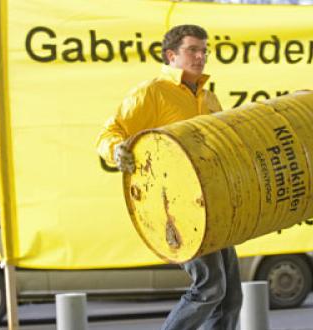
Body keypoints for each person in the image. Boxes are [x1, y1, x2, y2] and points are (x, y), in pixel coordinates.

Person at [97, 24, 243, 330]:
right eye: (192, 50)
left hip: (212, 204)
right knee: (210, 287)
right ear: (171, 55)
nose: (201, 56)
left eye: (204, 50)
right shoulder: (152, 92)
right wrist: (117, 150)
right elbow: (109, 133)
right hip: (174, 207)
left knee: (230, 298)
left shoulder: (210, 100)